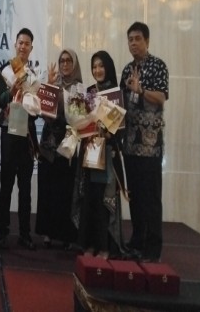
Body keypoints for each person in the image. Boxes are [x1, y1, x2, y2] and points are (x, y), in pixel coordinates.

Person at [120, 22, 169, 262]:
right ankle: (137, 241)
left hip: (150, 146)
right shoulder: (127, 70)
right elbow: (120, 104)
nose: (133, 43)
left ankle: (153, 247)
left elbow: (161, 98)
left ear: (147, 41)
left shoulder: (158, 66)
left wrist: (141, 91)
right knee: (135, 196)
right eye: (130, 39)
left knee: (151, 198)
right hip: (130, 144)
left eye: (138, 38)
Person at [74, 50, 127, 259]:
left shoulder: (115, 93)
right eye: (94, 66)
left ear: (108, 67)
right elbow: (79, 121)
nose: (97, 70)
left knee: (104, 201)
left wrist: (107, 131)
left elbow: (120, 129)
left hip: (108, 155)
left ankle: (105, 247)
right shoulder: (89, 93)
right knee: (90, 199)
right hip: (90, 152)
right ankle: (89, 244)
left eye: (101, 65)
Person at [0, 28, 40, 250]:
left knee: (25, 187)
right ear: (15, 45)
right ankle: (2, 232)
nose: (23, 47)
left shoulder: (34, 76)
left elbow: (38, 111)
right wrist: (11, 91)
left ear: (31, 48)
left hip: (27, 135)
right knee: (6, 185)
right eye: (20, 43)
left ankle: (25, 233)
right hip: (9, 132)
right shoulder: (5, 71)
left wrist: (32, 105)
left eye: (27, 44)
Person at [36, 49, 82, 249]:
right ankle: (47, 232)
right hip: (48, 146)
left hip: (67, 147)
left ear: (74, 64)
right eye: (62, 60)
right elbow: (41, 112)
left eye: (68, 61)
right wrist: (49, 87)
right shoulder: (52, 84)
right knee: (47, 189)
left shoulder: (80, 88)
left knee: (65, 191)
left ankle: (65, 235)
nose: (64, 64)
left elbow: (79, 118)